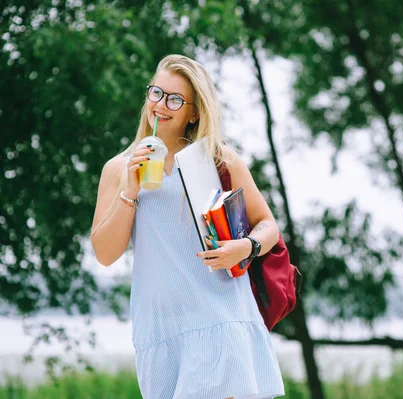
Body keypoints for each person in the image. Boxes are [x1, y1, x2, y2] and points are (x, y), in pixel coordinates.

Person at [91, 54, 285, 399]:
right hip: (161, 329)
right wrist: (131, 189)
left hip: (222, 316)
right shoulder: (118, 169)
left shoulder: (217, 160)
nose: (161, 105)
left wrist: (245, 248)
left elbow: (267, 225)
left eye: (175, 99)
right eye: (156, 93)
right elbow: (105, 254)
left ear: (194, 112)